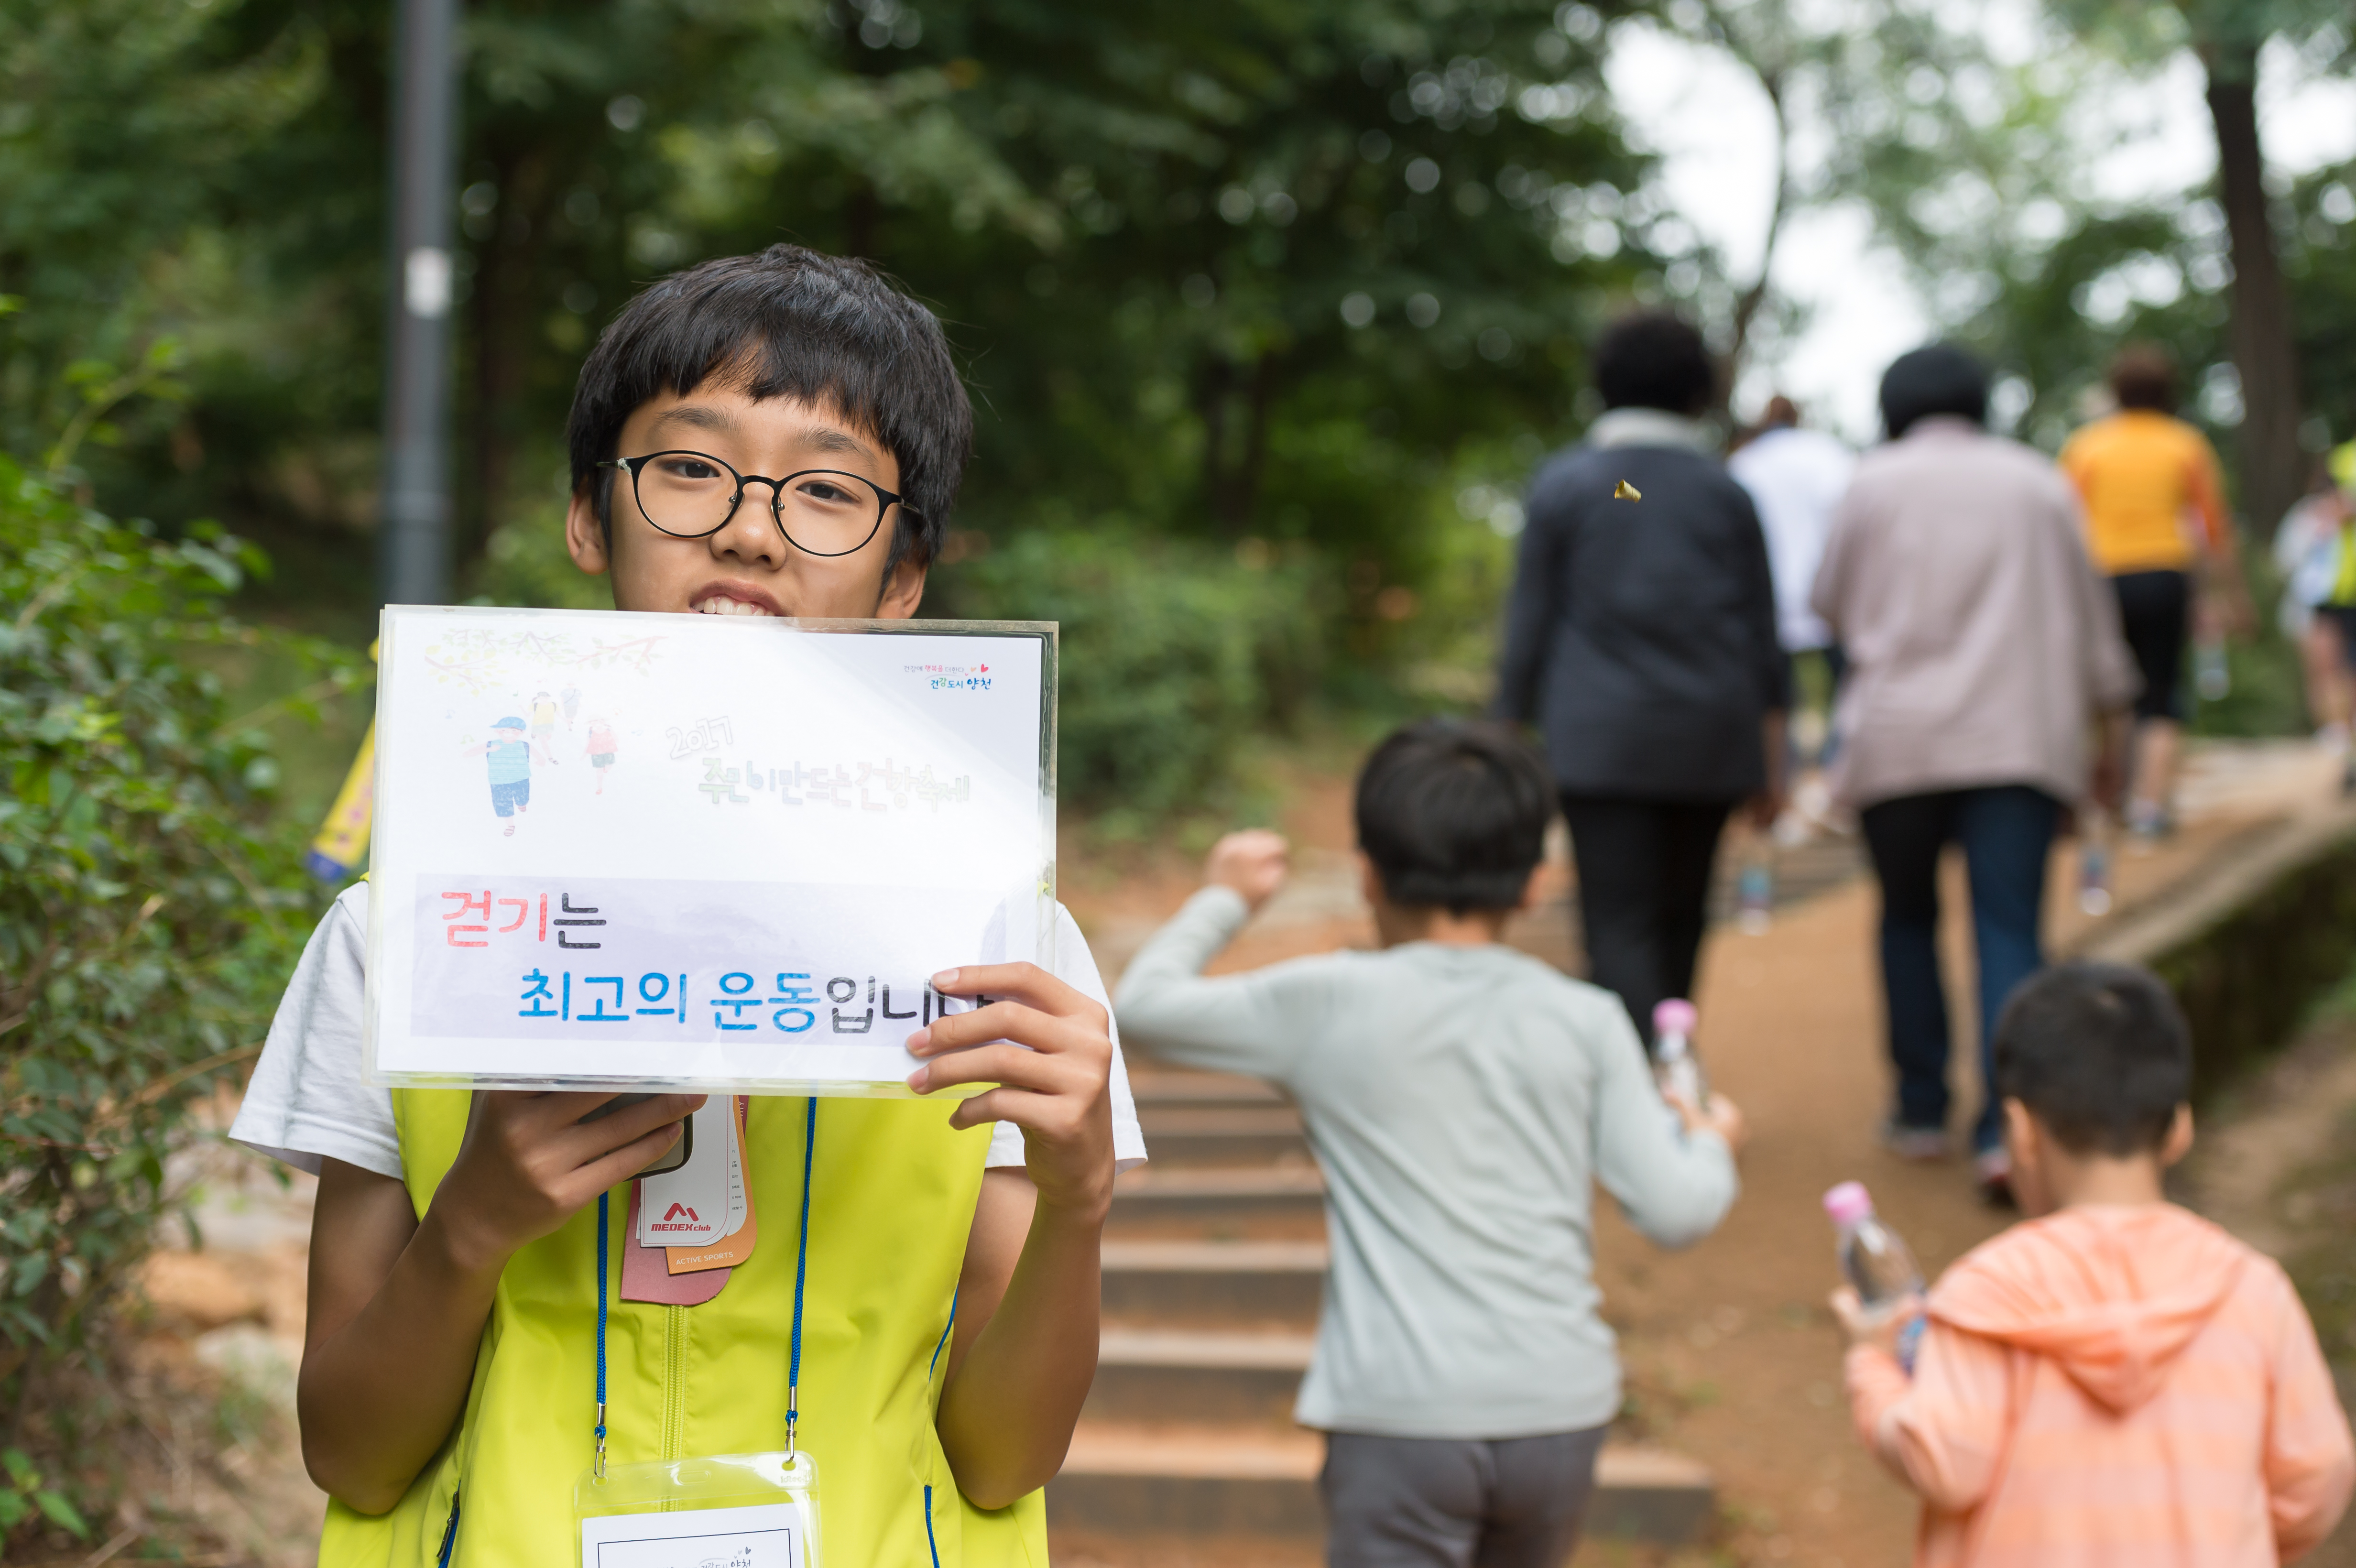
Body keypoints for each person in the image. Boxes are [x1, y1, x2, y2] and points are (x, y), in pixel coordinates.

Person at [229, 245, 1150, 1568]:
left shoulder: (1005, 947)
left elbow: (1004, 1459)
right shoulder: (397, 935)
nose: (751, 528)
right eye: (689, 468)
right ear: (590, 518)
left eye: (828, 491)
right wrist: (473, 1226)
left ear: (904, 580)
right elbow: (351, 1454)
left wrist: (1081, 1199)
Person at [1116, 719, 1745, 1568]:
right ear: (1534, 883)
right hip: (1556, 1411)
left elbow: (1143, 1006)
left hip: (1398, 1417)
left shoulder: (1328, 1002)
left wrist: (1227, 894)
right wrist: (1709, 1142)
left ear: (1367, 874)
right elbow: (1674, 1211)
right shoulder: (1586, 1018)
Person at [1833, 961, 2355, 1567]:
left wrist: (1874, 1367)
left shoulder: (1986, 1292)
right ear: (2178, 1129)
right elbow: (2314, 1475)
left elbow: (1944, 1457)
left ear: (2021, 1131)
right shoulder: (2251, 1291)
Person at [1811, 344, 2136, 1198]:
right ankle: (2006, 1132)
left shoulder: (1869, 483)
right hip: (2015, 740)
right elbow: (2092, 622)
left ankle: (1919, 1109)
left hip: (1898, 741)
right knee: (2007, 928)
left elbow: (1829, 606)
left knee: (1906, 918)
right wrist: (2110, 735)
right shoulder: (2037, 482)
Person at [1495, 310, 1789, 1045]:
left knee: (1616, 921)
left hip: (1599, 743)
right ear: (1699, 392)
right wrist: (1776, 761)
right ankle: (1668, 1065)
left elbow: (1528, 625)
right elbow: (1763, 637)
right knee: (1682, 916)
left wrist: (1503, 731)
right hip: (1711, 739)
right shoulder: (1727, 494)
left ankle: (1636, 1086)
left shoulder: (1568, 485)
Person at [2059, 346, 2244, 839]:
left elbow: (2062, 523)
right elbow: (2213, 530)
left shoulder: (2085, 447)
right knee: (2159, 691)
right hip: (2164, 575)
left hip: (2100, 580)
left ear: (2115, 391)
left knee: (2109, 690)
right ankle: (2148, 806)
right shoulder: (2184, 445)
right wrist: (2228, 597)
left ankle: (2110, 795)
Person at [1727, 393, 1857, 772]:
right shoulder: (1828, 455)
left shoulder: (1744, 464)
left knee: (1775, 698)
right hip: (1828, 592)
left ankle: (1782, 773)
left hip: (1766, 596)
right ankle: (1839, 765)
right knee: (1849, 686)